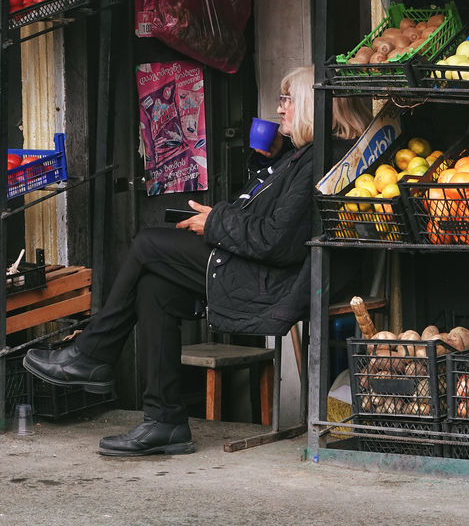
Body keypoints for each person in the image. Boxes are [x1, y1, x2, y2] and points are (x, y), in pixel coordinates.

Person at [23, 66, 369, 457]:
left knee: (149, 242)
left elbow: (276, 240)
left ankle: (92, 354)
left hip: (271, 280)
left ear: (310, 105)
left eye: (288, 99)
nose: (280, 107)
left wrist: (213, 222)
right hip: (251, 264)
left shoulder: (322, 160)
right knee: (156, 286)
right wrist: (255, 174)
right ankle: (164, 421)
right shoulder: (301, 156)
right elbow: (266, 218)